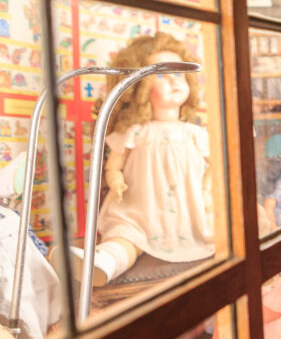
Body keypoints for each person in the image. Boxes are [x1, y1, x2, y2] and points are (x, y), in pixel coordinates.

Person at [75, 33, 214, 284]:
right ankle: (104, 262)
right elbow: (114, 165)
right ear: (139, 86)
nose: (173, 80)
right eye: (161, 74)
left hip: (191, 209)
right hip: (143, 205)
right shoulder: (136, 131)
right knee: (126, 233)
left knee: (219, 227)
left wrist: (206, 191)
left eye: (178, 73)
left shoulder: (194, 133)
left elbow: (214, 167)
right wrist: (116, 182)